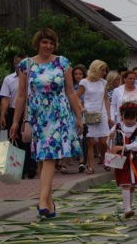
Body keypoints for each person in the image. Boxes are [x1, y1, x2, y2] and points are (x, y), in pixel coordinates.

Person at [9, 28, 83, 219]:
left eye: (51, 43)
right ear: (38, 43)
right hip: (37, 115)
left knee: (49, 155)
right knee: (42, 159)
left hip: (58, 114)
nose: (48, 46)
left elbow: (71, 92)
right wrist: (16, 122)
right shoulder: (27, 64)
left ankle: (42, 200)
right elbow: (21, 96)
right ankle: (49, 203)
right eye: (45, 42)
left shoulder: (62, 62)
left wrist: (79, 116)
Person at [0, 54, 36, 179]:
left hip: (31, 111)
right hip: (15, 111)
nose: (19, 66)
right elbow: (5, 98)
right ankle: (18, 168)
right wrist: (3, 114)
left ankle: (31, 167)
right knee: (15, 140)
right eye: (17, 63)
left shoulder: (34, 78)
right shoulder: (8, 79)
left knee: (30, 139)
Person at [107, 102, 137, 218]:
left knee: (132, 184)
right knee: (126, 183)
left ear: (136, 117)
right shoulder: (118, 126)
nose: (129, 121)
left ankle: (129, 206)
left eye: (131, 118)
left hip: (135, 159)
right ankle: (127, 209)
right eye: (126, 118)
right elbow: (108, 143)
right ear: (122, 116)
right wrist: (110, 137)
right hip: (121, 159)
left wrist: (125, 147)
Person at [77, 59, 110, 174]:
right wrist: (81, 108)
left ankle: (106, 161)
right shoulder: (84, 82)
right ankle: (90, 166)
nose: (105, 73)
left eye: (105, 70)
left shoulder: (104, 83)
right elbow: (77, 97)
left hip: (102, 113)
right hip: (89, 113)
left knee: (104, 141)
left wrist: (109, 115)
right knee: (90, 142)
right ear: (95, 69)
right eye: (102, 70)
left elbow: (106, 98)